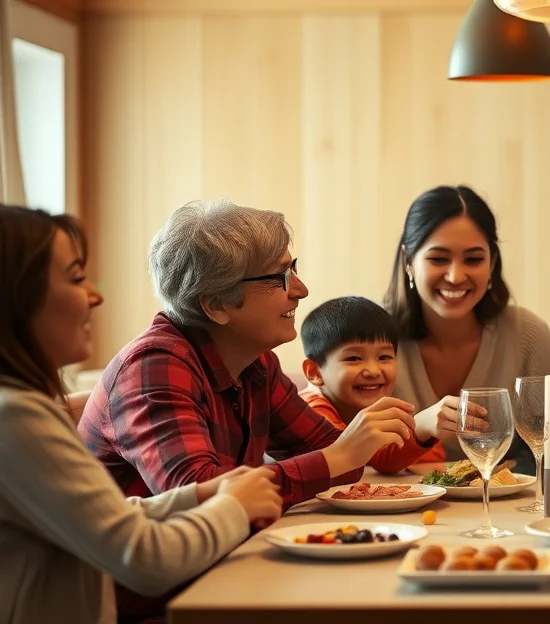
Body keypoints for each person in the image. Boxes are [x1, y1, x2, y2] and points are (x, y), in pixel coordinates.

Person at [78, 199, 416, 620]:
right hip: (152, 607)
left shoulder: (256, 362)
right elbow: (205, 496)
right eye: (280, 277)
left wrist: (346, 452)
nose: (301, 289)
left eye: (294, 269)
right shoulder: (153, 367)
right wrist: (340, 455)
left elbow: (340, 461)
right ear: (216, 303)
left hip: (223, 579)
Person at [0, 204, 283, 623]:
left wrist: (200, 497)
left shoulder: (23, 409)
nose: (96, 295)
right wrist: (234, 508)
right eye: (77, 278)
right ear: (16, 297)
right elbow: (142, 558)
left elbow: (107, 519)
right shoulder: (17, 417)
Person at [384, 185, 550, 470]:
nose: (455, 276)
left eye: (473, 259)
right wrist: (418, 427)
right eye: (438, 259)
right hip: (396, 513)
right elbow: (341, 451)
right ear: (408, 261)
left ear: (492, 263)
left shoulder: (526, 333)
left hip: (508, 510)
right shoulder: (371, 334)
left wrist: (512, 484)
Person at [299, 295, 446, 472]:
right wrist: (418, 430)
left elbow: (428, 465)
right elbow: (348, 458)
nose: (373, 371)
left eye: (384, 357)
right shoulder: (310, 409)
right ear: (314, 372)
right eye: (354, 358)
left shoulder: (382, 410)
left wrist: (423, 430)